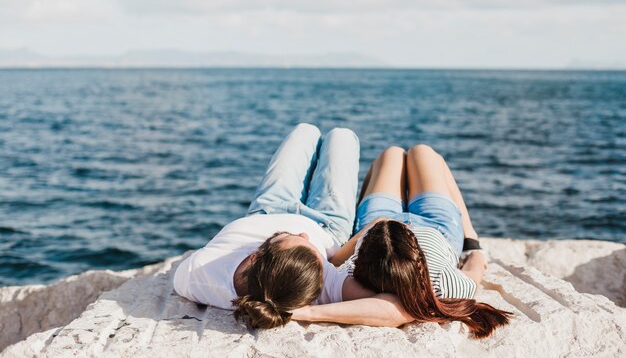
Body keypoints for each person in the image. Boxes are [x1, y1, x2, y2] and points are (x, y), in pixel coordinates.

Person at [173, 123, 374, 329]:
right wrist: (306, 312)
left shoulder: (198, 275)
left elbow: (183, 276)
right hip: (327, 222)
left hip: (268, 206)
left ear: (256, 255)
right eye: (308, 244)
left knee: (305, 130)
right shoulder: (315, 280)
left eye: (291, 237)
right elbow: (396, 308)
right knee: (343, 136)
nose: (304, 234)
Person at [329, 144, 512, 338]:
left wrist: (373, 225)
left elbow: (335, 261)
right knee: (424, 152)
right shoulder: (445, 285)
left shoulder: (354, 276)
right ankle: (470, 233)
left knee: (391, 154)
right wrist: (471, 243)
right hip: (438, 227)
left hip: (378, 224)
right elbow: (476, 261)